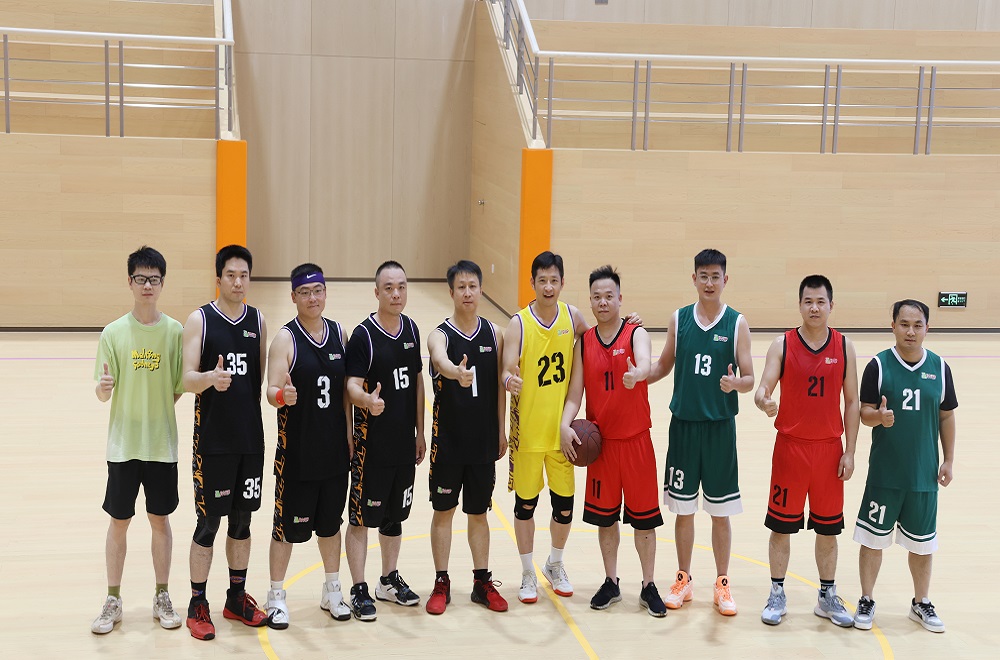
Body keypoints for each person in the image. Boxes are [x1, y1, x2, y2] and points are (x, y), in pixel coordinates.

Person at [647, 248, 754, 616]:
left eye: (715, 276)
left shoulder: (737, 323)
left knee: (720, 512)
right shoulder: (679, 319)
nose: (709, 282)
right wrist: (640, 376)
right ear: (694, 279)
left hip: (720, 430)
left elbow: (749, 378)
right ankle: (684, 578)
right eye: (703, 276)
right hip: (684, 428)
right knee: (684, 509)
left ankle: (722, 583)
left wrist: (736, 384)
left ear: (725, 280)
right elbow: (663, 365)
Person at [560, 265, 666, 617]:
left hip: (636, 443)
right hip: (601, 446)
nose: (603, 302)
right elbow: (575, 393)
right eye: (597, 297)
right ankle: (611, 581)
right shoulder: (584, 343)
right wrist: (564, 424)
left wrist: (639, 373)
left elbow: (646, 361)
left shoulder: (636, 332)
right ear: (590, 301)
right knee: (606, 520)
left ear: (620, 298)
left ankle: (648, 585)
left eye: (609, 296)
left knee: (645, 521)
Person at [754, 275, 859, 627]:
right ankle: (777, 593)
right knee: (781, 527)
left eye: (820, 302)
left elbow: (852, 402)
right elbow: (763, 387)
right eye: (808, 302)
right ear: (800, 305)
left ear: (831, 305)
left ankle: (827, 596)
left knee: (828, 530)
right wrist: (765, 400)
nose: (814, 308)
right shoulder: (782, 344)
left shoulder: (844, 347)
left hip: (829, 451)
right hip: (791, 450)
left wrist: (850, 451)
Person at [91, 246, 185, 634]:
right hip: (123, 446)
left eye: (154, 279)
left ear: (162, 283)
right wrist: (104, 388)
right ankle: (113, 599)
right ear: (130, 282)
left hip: (161, 445)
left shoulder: (175, 332)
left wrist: (155, 408)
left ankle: (162, 595)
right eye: (141, 278)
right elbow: (102, 392)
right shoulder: (113, 333)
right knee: (119, 521)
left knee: (160, 520)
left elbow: (177, 386)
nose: (148, 285)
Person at [852, 299, 957, 633]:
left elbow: (946, 416)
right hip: (885, 474)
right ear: (893, 326)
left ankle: (921, 602)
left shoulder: (940, 368)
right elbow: (863, 412)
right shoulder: (878, 365)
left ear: (927, 328)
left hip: (923, 475)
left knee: (923, 544)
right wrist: (879, 417)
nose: (911, 331)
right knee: (872, 540)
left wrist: (948, 459)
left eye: (917, 325)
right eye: (904, 324)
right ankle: (866, 598)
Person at [181, 244, 269, 640]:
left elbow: (258, 381)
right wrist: (209, 380)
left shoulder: (258, 320)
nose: (237, 282)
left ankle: (235, 598)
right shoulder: (200, 319)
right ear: (218, 279)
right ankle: (197, 602)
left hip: (249, 441)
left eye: (244, 275)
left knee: (242, 521)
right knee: (208, 523)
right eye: (230, 275)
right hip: (212, 443)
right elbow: (186, 379)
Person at [262, 264, 353, 628]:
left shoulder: (339, 334)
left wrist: (349, 435)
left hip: (334, 453)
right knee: (285, 529)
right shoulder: (285, 339)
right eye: (305, 292)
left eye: (318, 291)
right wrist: (282, 395)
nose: (312, 298)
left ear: (325, 293)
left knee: (331, 526)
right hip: (297, 454)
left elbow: (345, 393)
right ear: (293, 297)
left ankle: (332, 590)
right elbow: (270, 390)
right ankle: (276, 596)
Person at [501, 251, 589, 604]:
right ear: (532, 283)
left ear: (562, 282)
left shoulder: (573, 317)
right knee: (525, 507)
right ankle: (527, 572)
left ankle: (555, 563)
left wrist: (630, 324)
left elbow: (601, 337)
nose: (548, 287)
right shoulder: (519, 324)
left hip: (561, 434)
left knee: (564, 507)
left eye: (554, 280)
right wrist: (509, 380)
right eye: (542, 281)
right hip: (527, 434)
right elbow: (507, 368)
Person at [425, 260, 508, 615]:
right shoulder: (440, 334)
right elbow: (439, 360)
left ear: (481, 289)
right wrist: (454, 372)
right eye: (461, 287)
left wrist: (501, 429)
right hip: (448, 443)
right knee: (444, 512)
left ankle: (481, 582)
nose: (468, 292)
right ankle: (441, 581)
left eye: (473, 286)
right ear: (451, 292)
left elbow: (501, 386)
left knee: (478, 513)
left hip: (483, 443)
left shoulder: (495, 334)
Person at [344, 260, 426, 621]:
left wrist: (420, 431)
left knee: (395, 516)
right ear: (377, 292)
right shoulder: (363, 336)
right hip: (370, 447)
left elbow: (418, 382)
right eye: (389, 288)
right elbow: (350, 385)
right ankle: (359, 588)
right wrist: (366, 400)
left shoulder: (412, 329)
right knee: (362, 518)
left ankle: (388, 580)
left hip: (403, 445)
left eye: (402, 287)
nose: (396, 294)